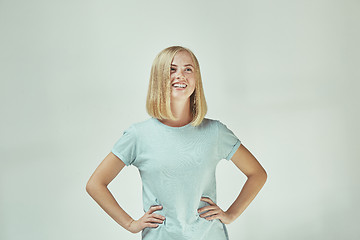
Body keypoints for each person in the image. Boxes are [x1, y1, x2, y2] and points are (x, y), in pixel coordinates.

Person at [86, 46, 267, 239]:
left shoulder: (215, 132)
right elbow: (96, 184)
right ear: (158, 78)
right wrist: (131, 224)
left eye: (188, 69)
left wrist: (231, 215)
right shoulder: (138, 135)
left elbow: (257, 174)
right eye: (172, 69)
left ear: (196, 79)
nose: (180, 75)